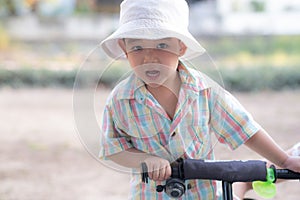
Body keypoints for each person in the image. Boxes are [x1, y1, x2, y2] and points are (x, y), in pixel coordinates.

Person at [99, 0, 300, 199]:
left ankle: (245, 182)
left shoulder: (205, 91)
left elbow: (244, 128)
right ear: (124, 48)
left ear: (181, 48)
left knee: (231, 192)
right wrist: (144, 160)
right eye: (137, 48)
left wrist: (285, 160)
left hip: (206, 193)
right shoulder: (120, 100)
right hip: (152, 194)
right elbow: (113, 148)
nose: (149, 57)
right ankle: (242, 183)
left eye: (162, 45)